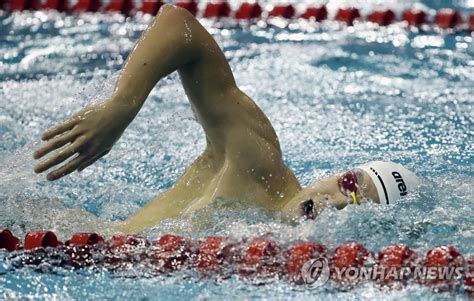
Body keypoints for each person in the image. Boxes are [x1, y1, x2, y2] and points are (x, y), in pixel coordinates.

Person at [33, 5, 419, 234]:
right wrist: (122, 105)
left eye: (354, 205)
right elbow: (180, 26)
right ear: (333, 173)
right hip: (55, 237)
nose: (335, 204)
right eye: (348, 185)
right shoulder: (259, 164)